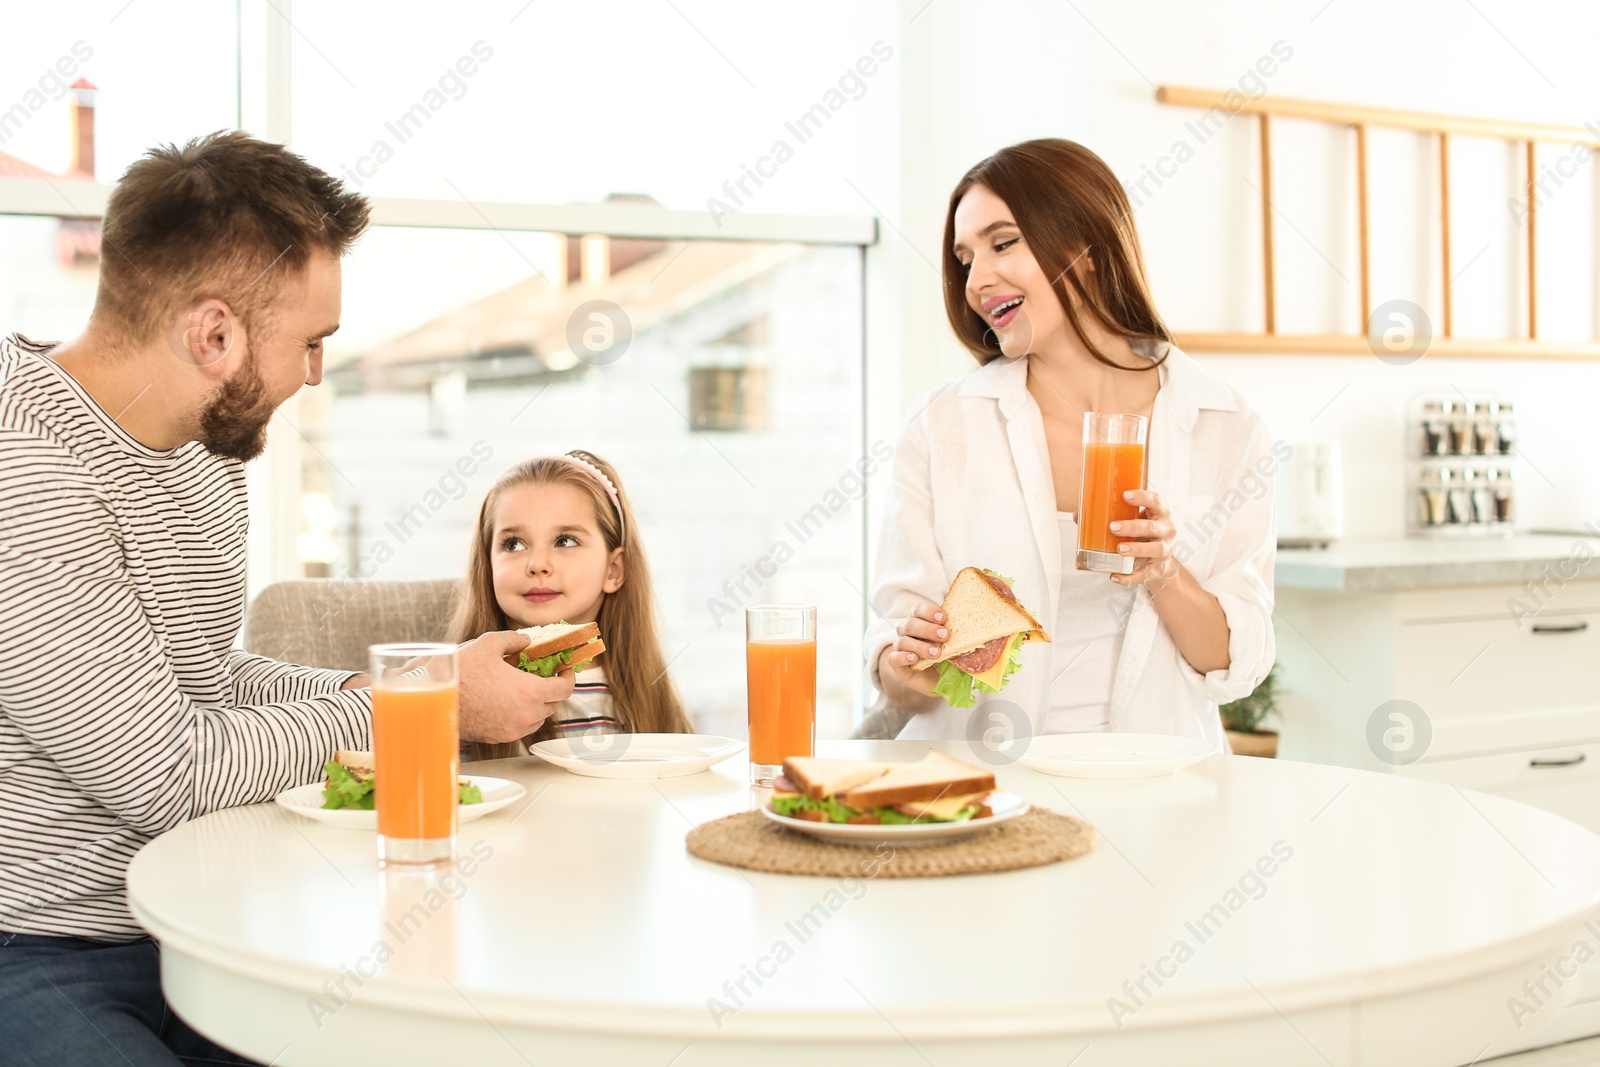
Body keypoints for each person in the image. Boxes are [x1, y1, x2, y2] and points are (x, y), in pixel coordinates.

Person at [0, 131, 574, 1066]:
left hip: (199, 919)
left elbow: (195, 671)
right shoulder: (25, 472)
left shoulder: (199, 441)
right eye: (309, 343)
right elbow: (168, 775)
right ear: (213, 333)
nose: (314, 374)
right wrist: (416, 704)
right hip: (37, 944)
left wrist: (395, 682)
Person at [867, 139, 1276, 747]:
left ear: (1084, 246)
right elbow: (897, 669)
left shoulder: (1224, 422)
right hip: (982, 785)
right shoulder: (943, 424)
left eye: (1003, 243)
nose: (977, 279)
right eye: (964, 258)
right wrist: (908, 664)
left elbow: (1233, 665)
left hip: (1151, 780)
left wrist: (1161, 570)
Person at [451, 451, 692, 760]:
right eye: (514, 544)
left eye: (565, 541)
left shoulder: (646, 696)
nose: (537, 564)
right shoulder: (456, 694)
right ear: (488, 565)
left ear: (613, 570)